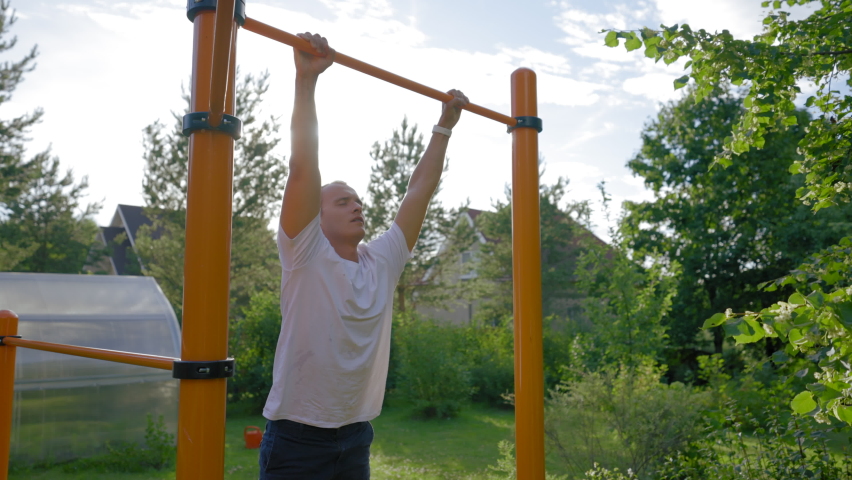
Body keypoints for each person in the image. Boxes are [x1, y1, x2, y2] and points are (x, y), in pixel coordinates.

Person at [258, 32, 469, 480]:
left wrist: (445, 126)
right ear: (315, 217)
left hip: (356, 438)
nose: (357, 206)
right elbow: (302, 166)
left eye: (358, 200)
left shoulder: (382, 262)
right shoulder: (304, 252)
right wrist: (306, 81)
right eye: (343, 201)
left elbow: (419, 191)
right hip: (296, 439)